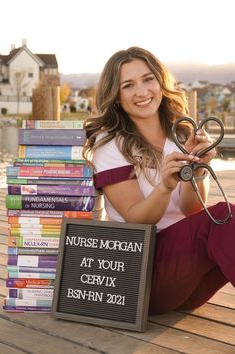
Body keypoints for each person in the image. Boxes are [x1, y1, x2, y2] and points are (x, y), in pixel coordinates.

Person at [83, 47, 234, 315]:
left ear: (160, 82)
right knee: (225, 214)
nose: (142, 91)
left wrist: (198, 167)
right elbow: (135, 219)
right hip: (142, 277)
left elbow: (191, 211)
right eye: (128, 85)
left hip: (185, 281)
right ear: (116, 97)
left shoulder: (180, 132)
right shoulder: (109, 145)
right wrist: (165, 185)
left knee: (226, 218)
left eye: (148, 79)